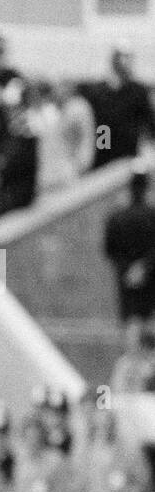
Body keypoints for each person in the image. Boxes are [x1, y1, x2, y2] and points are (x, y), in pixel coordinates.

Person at [81, 49, 155, 171]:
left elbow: (149, 122)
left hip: (127, 153)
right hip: (103, 149)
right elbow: (95, 123)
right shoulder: (98, 92)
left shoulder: (138, 91)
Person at [103, 166, 155, 328]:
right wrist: (144, 267)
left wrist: (129, 269)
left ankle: (134, 353)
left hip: (126, 277)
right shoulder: (152, 215)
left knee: (131, 318)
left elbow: (110, 249)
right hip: (150, 275)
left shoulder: (116, 217)